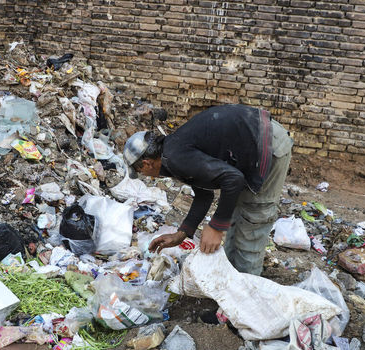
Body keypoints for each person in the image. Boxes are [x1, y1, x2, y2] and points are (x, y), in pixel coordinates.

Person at [123, 104, 293, 276]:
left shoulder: (175, 157)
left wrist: (216, 227)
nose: (146, 175)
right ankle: (233, 281)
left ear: (146, 163)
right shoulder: (172, 152)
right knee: (237, 216)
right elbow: (204, 194)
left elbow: (233, 179)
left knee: (252, 221)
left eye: (140, 172)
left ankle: (246, 293)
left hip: (266, 144)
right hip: (251, 145)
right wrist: (181, 234)